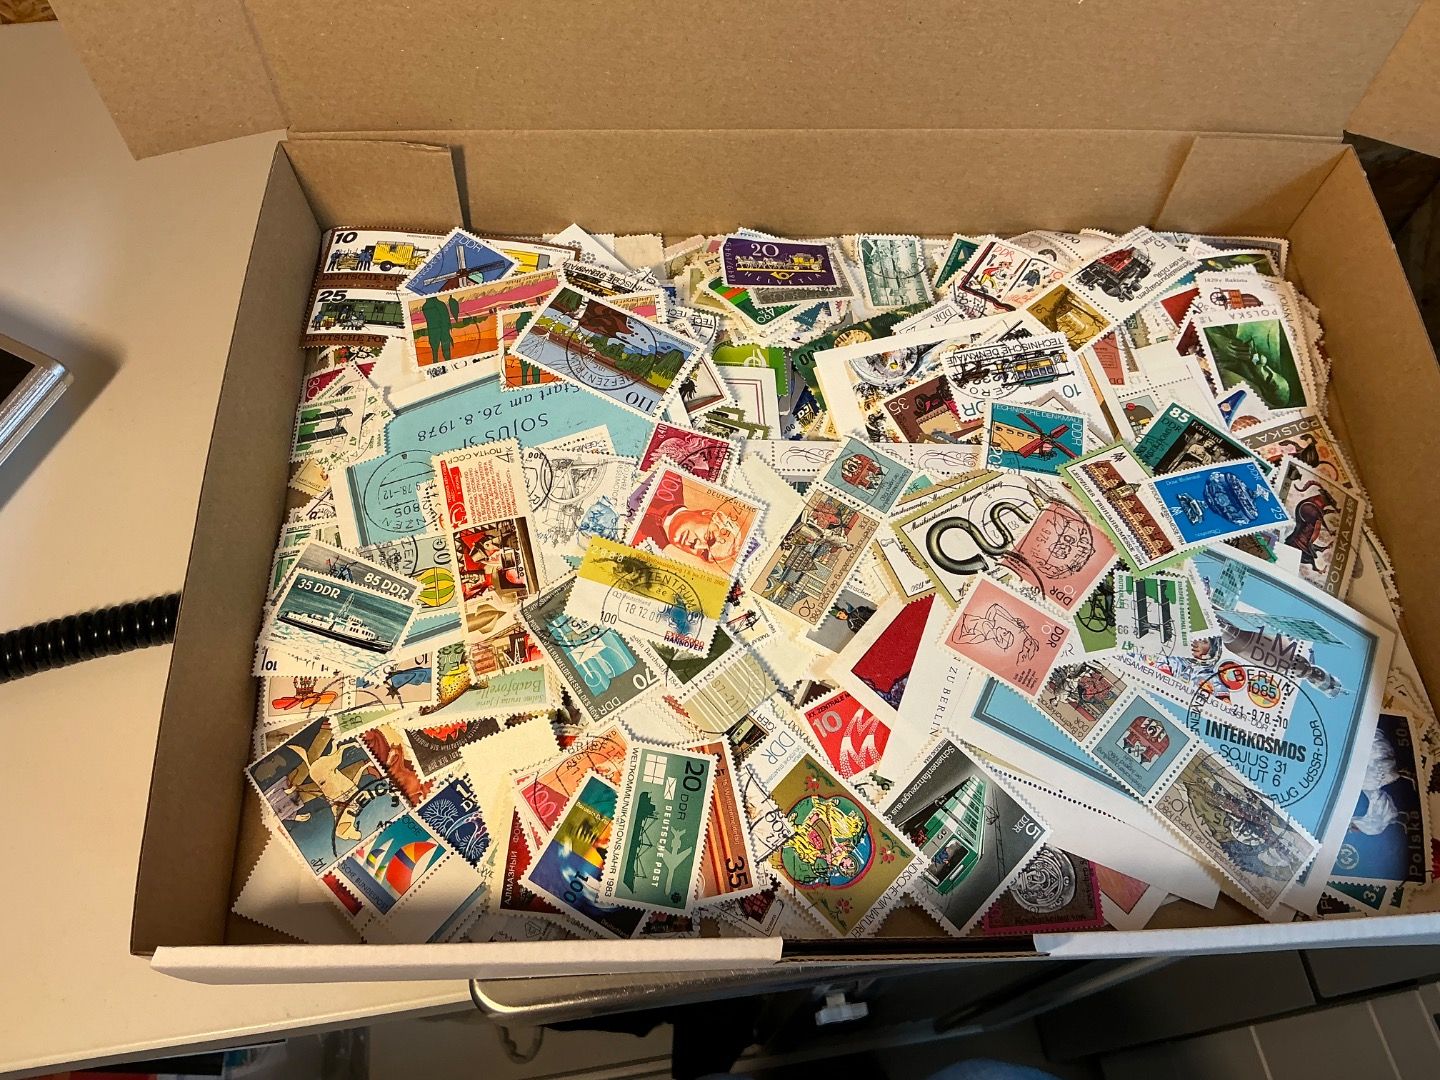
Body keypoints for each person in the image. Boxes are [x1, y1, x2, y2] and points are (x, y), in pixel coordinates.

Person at [421, 294, 455, 364]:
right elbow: (447, 319)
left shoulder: (425, 306)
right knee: (445, 352)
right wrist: (447, 330)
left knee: (435, 353)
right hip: (443, 330)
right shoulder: (441, 304)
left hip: (434, 332)